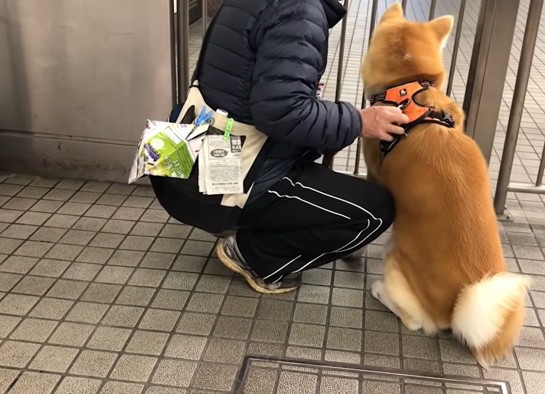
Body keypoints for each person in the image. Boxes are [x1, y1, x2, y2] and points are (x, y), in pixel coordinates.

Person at [151, 0, 408, 294]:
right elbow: (282, 113)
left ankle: (240, 222)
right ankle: (252, 253)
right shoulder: (300, 9)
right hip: (223, 184)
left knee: (315, 149)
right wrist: (358, 121)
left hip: (180, 164)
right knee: (375, 212)